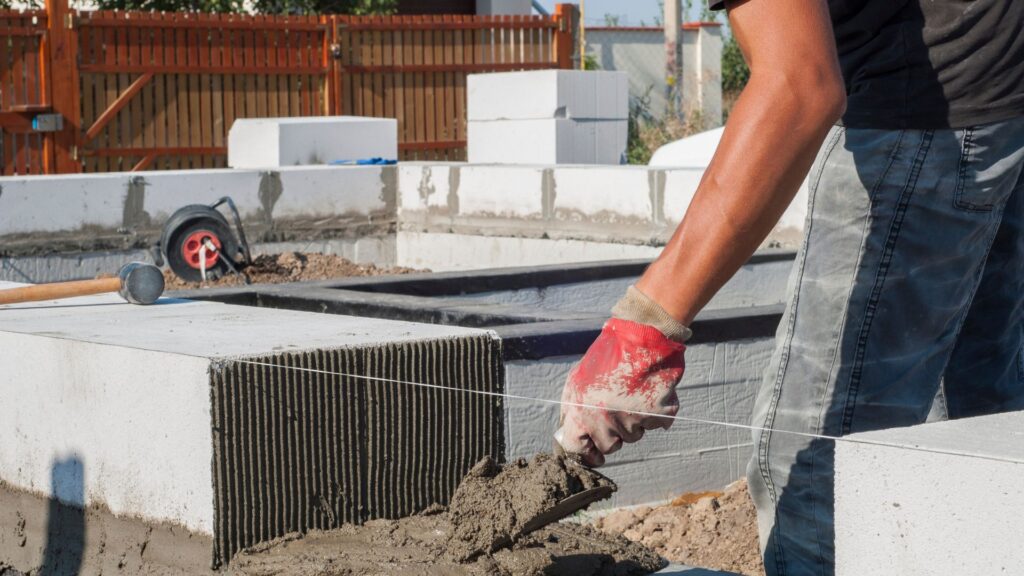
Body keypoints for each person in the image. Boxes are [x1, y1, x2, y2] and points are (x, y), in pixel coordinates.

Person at [554, 0, 1024, 574]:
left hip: (932, 109)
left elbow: (801, 87)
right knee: (989, 427)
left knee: (813, 466)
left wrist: (643, 331)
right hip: (1002, 90)